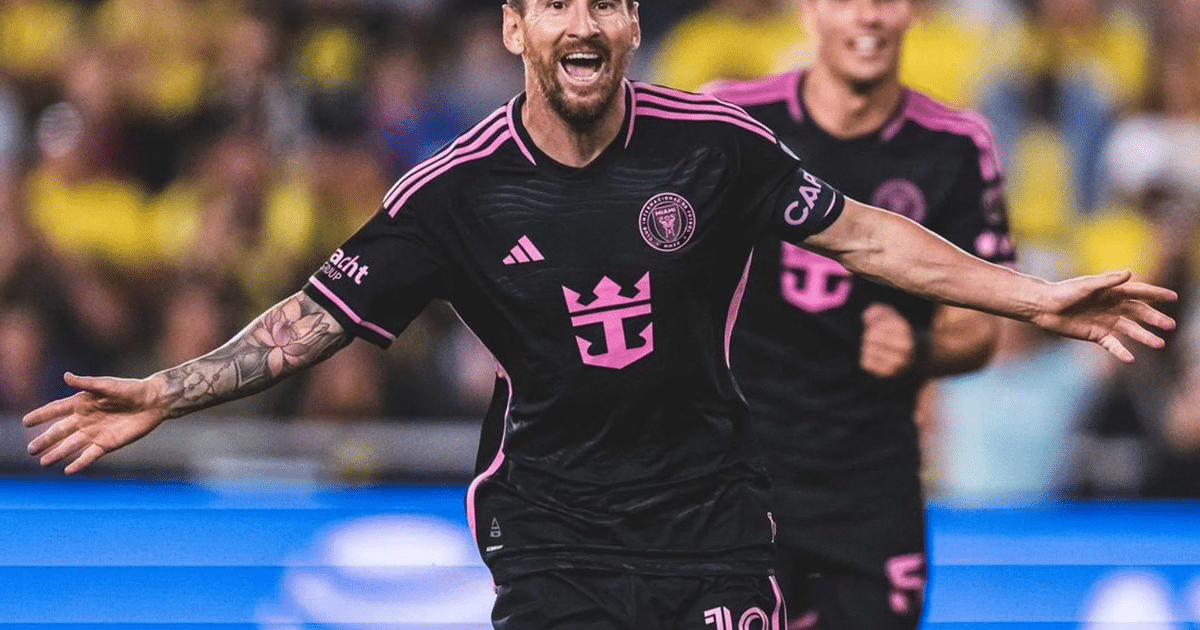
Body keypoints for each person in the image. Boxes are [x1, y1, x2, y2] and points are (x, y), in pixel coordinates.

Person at [23, 1, 1175, 628]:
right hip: (555, 530)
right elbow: (311, 320)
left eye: (611, 1)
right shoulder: (453, 193)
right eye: (559, 1)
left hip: (717, 519)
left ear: (630, 26)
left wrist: (1039, 298)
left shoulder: (715, 149)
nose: (588, 20)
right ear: (516, 27)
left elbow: (868, 234)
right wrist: (165, 392)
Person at [703, 0, 1011, 627]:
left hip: (872, 485)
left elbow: (981, 330)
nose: (867, 17)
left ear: (913, 13)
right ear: (807, 10)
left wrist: (920, 349)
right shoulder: (730, 117)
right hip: (732, 477)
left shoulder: (955, 146)